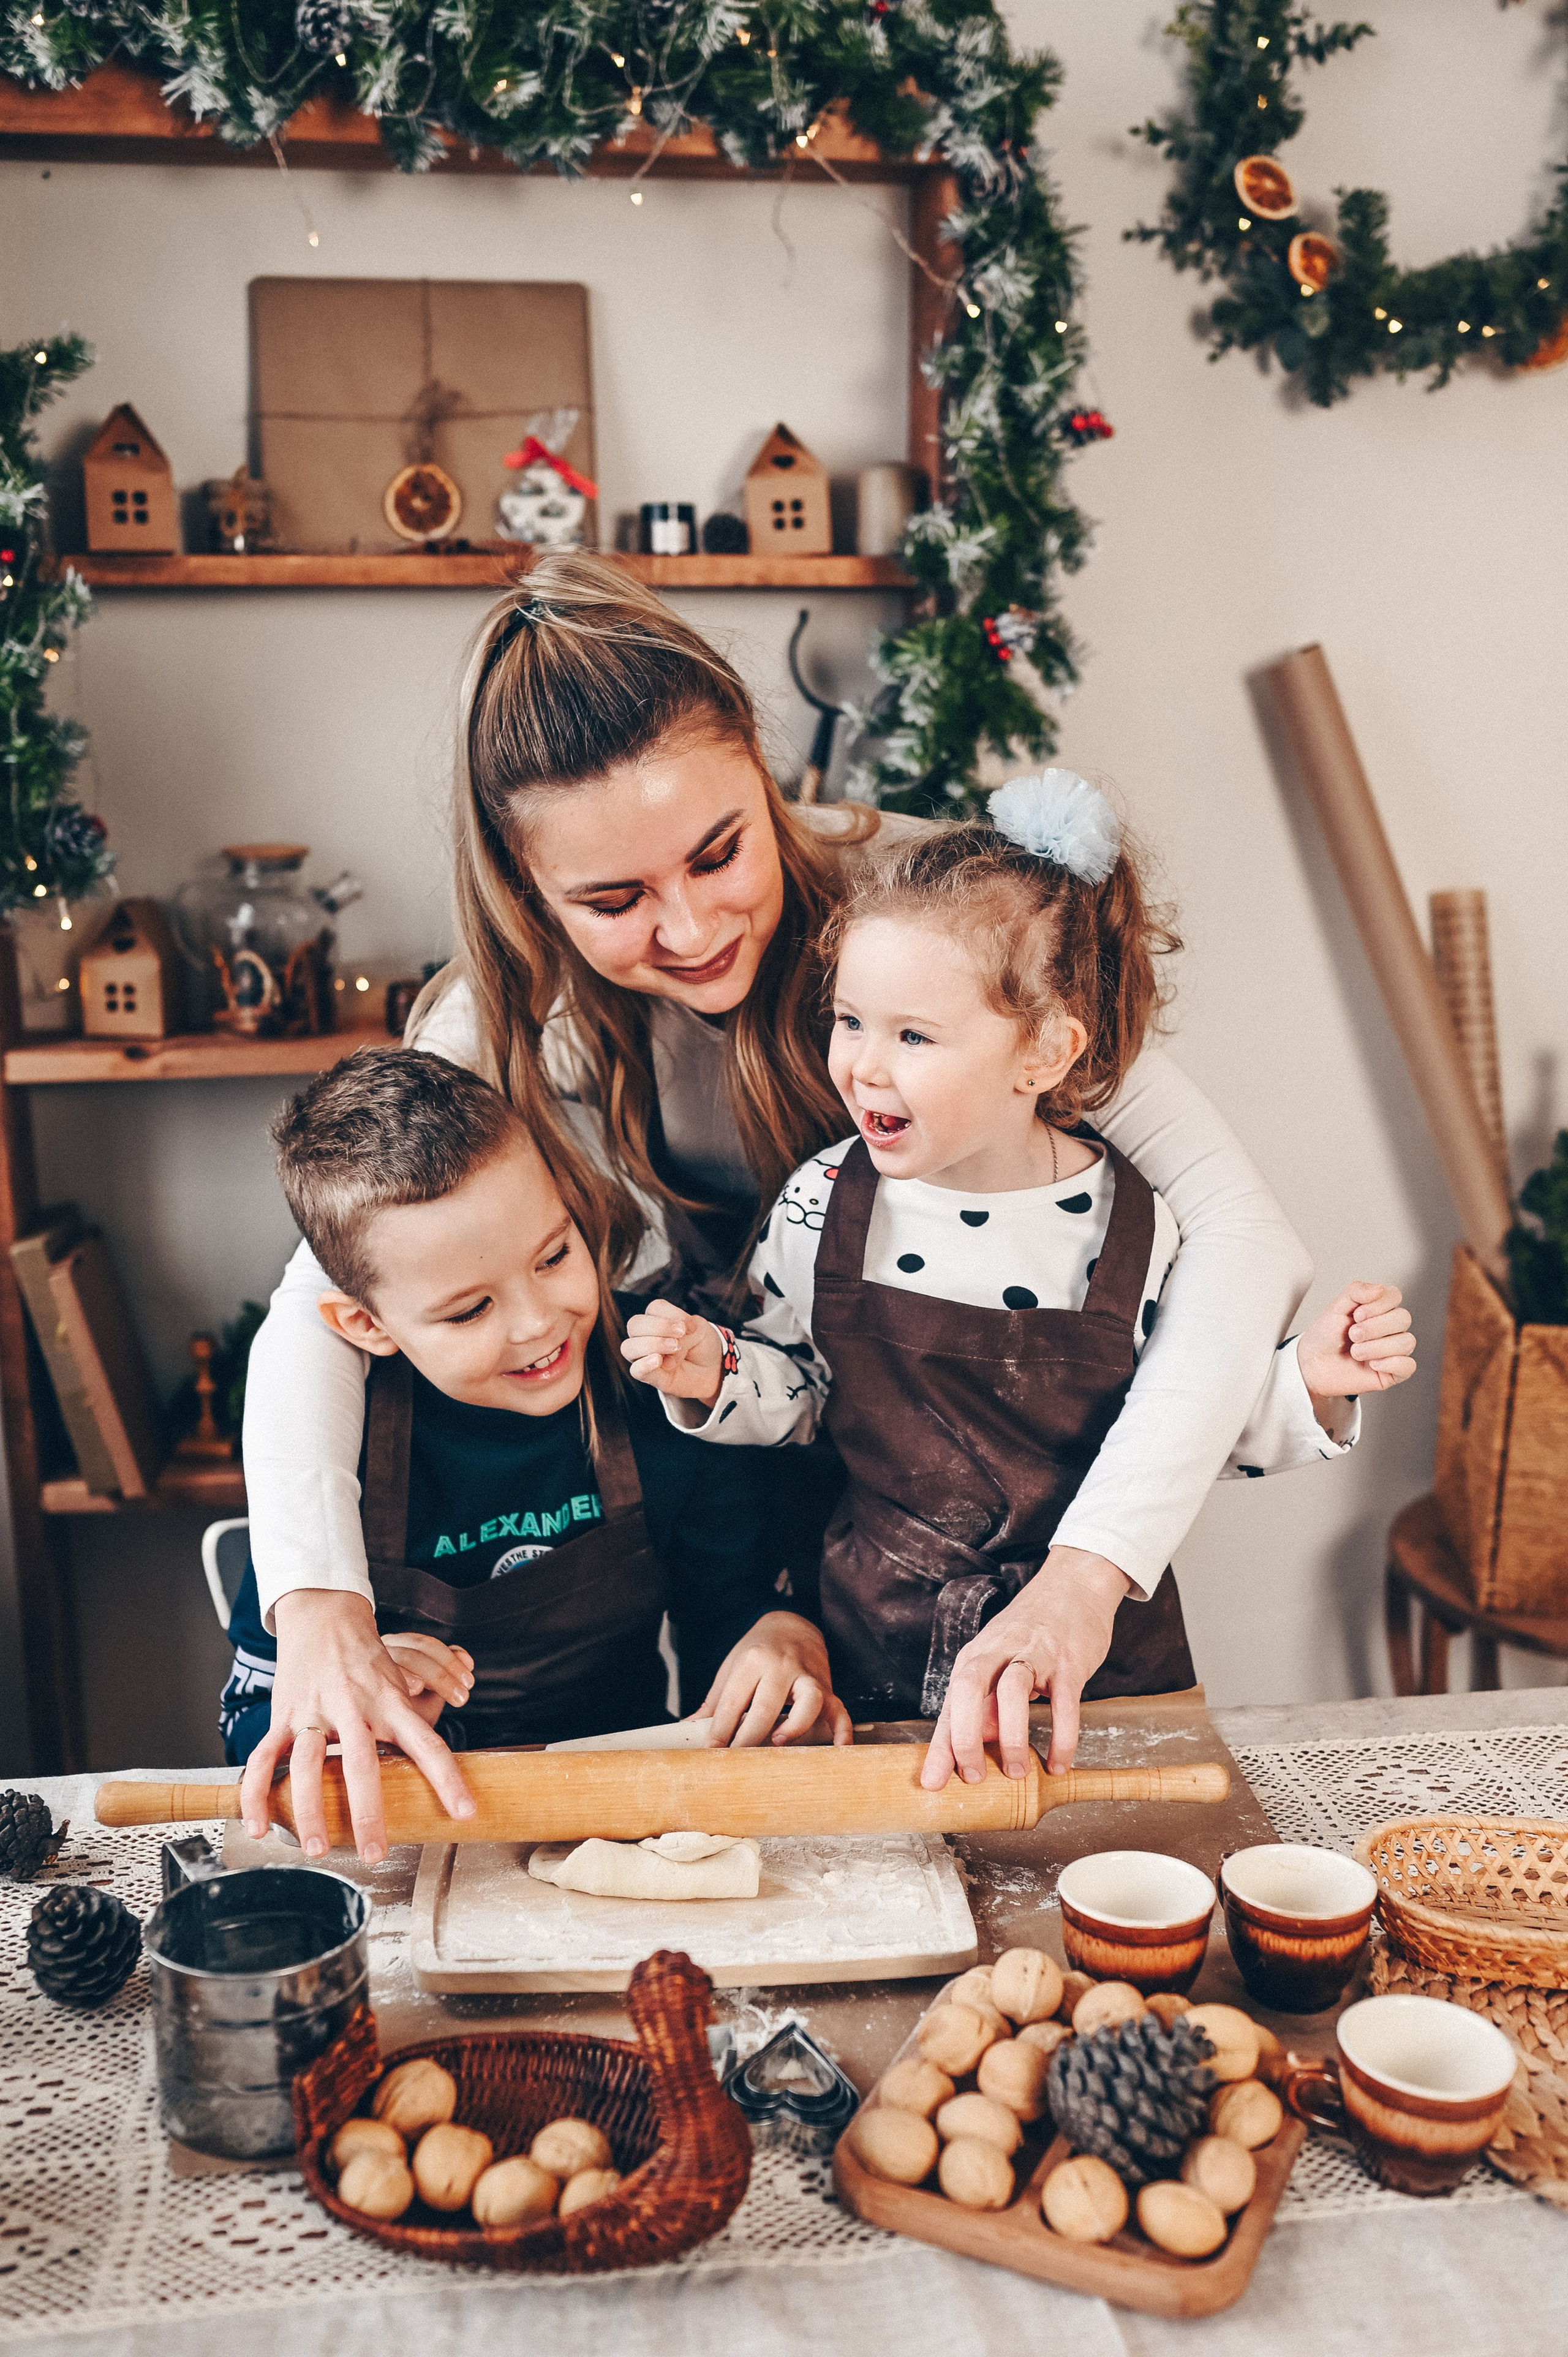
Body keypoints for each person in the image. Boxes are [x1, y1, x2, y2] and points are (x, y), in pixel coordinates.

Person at [241, 553, 1317, 1862]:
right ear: (528, 890)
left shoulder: (936, 913)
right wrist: (314, 1610)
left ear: (761, 766)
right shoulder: (492, 1023)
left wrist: (1084, 1578)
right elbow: (317, 1306)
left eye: (718, 850)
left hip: (1018, 1531)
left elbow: (1240, 1232)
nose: (690, 927)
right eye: (612, 900)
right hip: (735, 1538)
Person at [621, 777, 1416, 1784]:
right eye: (850, 1021)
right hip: (876, 1676)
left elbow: (1189, 1423)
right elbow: (805, 1398)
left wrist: (1311, 1377)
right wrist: (717, 1371)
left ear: (1042, 1051)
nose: (864, 1067)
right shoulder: (820, 1203)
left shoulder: (1135, 1228)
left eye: (913, 1036)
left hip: (1103, 1688)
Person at [232, 1048, 840, 1860]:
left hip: (626, 1820)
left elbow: (721, 1620)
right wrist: (357, 1729)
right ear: (365, 1325)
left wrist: (779, 1637)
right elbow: (251, 1728)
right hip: (420, 1846)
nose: (538, 1324)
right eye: (468, 1311)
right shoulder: (331, 1446)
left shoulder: (655, 1383)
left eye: (554, 1256)